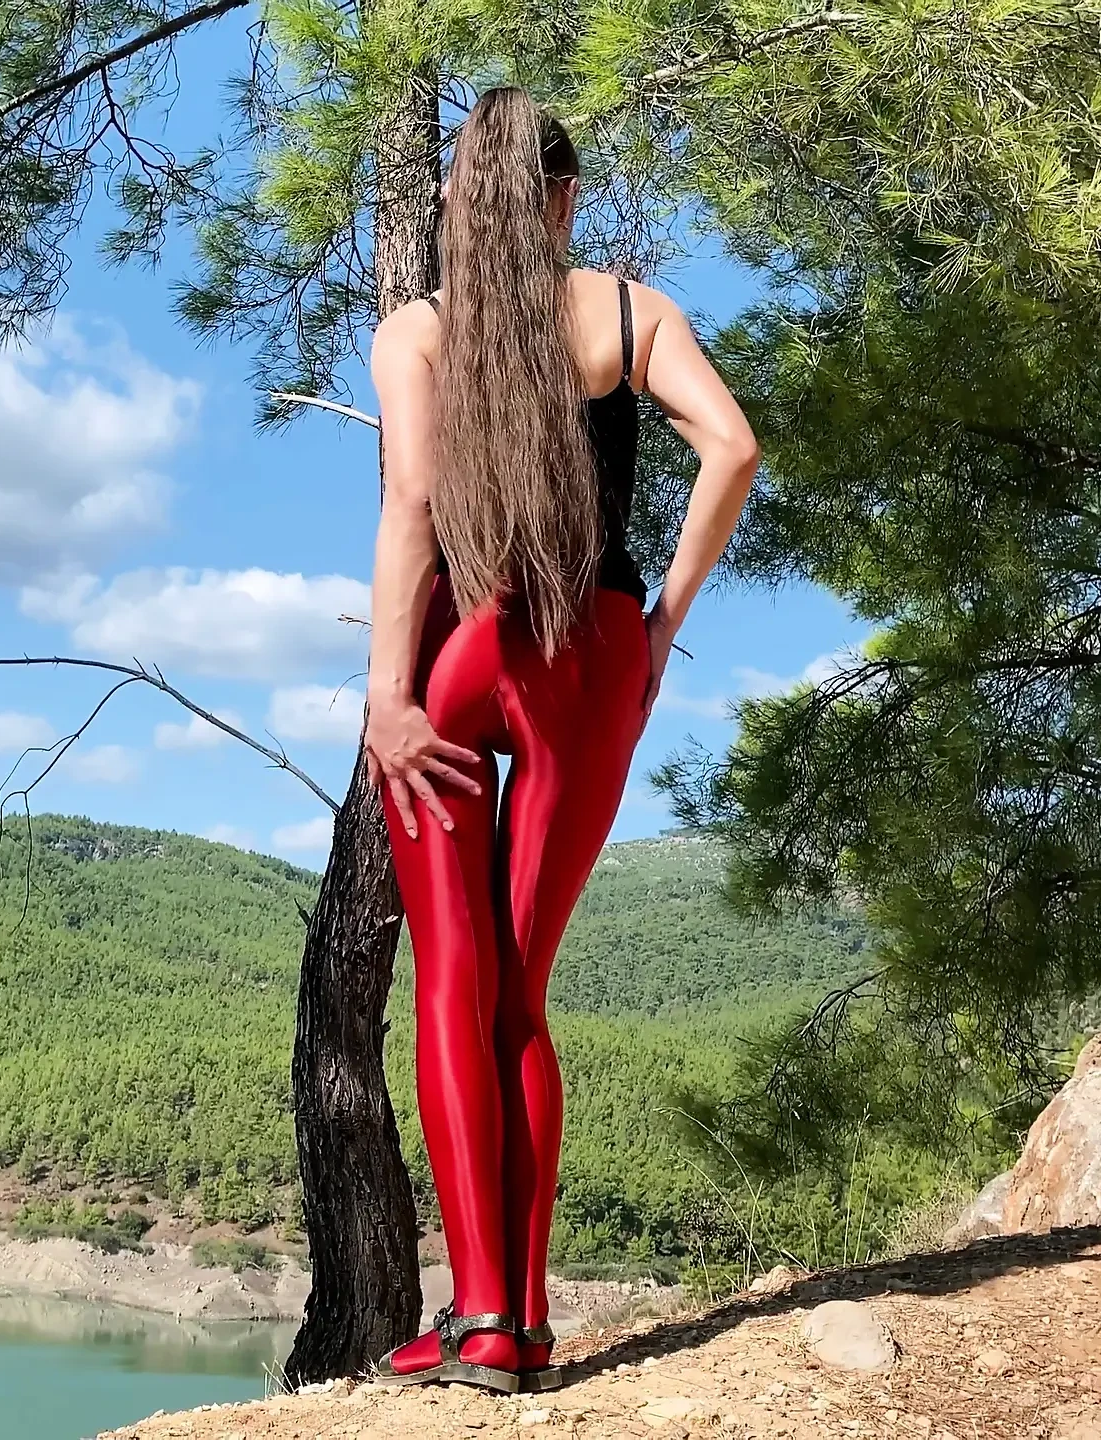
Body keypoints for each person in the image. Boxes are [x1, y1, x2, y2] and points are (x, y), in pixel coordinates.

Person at [362, 86, 760, 1394]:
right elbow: (734, 451)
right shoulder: (631, 313)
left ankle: (476, 1318)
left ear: (452, 207)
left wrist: (389, 695)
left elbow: (417, 500)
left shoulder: (420, 332)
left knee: (451, 987)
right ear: (566, 196)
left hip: (475, 651)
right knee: (522, 1002)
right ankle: (521, 1327)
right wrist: (659, 626)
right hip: (594, 656)